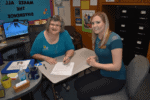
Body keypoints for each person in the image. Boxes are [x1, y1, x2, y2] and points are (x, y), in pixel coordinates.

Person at [74, 12, 126, 100]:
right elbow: (104, 53)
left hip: (116, 78)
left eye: (98, 22)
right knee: (77, 84)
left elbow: (117, 66)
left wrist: (95, 64)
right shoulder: (97, 37)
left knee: (82, 93)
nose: (94, 25)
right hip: (104, 71)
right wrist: (95, 58)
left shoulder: (115, 39)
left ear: (105, 23)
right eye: (93, 23)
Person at [30, 15, 75, 98]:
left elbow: (71, 48)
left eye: (57, 25)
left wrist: (68, 56)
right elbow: (33, 54)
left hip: (61, 61)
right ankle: (56, 91)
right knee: (55, 78)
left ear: (61, 27)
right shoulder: (40, 37)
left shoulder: (64, 34)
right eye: (52, 24)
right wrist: (46, 58)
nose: (54, 27)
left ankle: (61, 82)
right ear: (48, 25)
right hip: (46, 63)